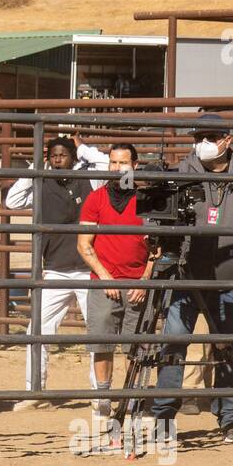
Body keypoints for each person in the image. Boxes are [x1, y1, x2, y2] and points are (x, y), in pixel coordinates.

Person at [151, 114, 233, 444]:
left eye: (211, 136)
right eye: (199, 136)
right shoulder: (180, 173)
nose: (203, 143)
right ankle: (163, 417)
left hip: (232, 278)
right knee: (173, 343)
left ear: (227, 140)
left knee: (230, 347)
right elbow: (160, 216)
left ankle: (230, 418)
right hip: (186, 275)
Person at [5, 135, 100, 410]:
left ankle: (99, 392)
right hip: (56, 269)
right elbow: (12, 201)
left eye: (63, 155)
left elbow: (106, 164)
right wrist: (34, 170)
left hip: (87, 269)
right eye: (53, 155)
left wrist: (84, 149)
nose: (57, 159)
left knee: (97, 332)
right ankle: (34, 391)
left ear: (74, 158)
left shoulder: (91, 179)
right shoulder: (41, 182)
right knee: (38, 331)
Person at [76, 143, 156, 419]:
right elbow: (84, 245)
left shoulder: (147, 199)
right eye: (113, 163)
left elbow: (157, 247)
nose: (117, 168)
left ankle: (132, 399)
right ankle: (103, 398)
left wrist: (144, 279)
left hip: (138, 284)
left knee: (137, 346)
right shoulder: (96, 199)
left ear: (135, 165)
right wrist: (104, 277)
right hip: (104, 282)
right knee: (102, 344)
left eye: (123, 163)